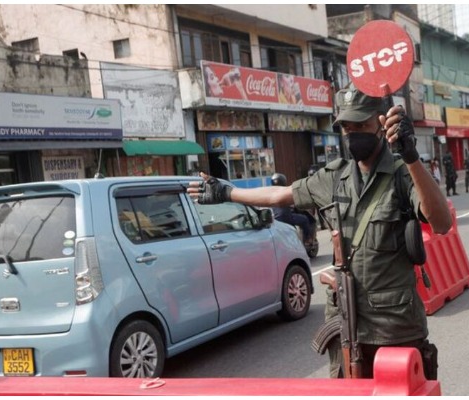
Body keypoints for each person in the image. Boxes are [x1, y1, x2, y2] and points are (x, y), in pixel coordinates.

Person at [187, 86, 452, 379]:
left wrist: (411, 155)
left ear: (380, 124)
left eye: (361, 125)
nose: (353, 134)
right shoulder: (334, 178)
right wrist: (228, 192)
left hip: (395, 327)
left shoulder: (404, 173)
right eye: (347, 127)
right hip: (346, 325)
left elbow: (440, 222)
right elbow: (279, 195)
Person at [269, 172, 314, 246]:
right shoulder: (285, 191)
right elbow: (295, 201)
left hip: (276, 220)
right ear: (283, 181)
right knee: (305, 219)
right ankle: (307, 239)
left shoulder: (270, 193)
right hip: (287, 218)